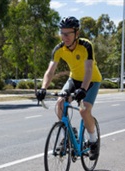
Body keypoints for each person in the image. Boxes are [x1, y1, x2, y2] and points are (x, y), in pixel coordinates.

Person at [36, 16, 102, 160]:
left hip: (91, 80)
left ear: (76, 34)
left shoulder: (86, 45)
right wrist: (43, 88)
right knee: (60, 103)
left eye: (67, 34)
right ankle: (69, 133)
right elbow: (50, 70)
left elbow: (89, 70)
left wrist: (83, 89)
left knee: (84, 111)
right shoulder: (59, 49)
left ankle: (93, 141)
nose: (64, 37)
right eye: (62, 33)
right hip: (74, 79)